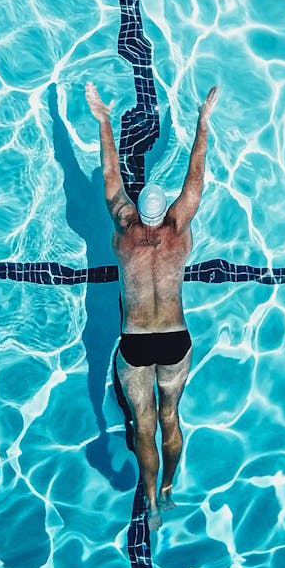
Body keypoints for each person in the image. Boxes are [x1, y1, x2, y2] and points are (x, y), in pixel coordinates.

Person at [85, 80, 219, 530]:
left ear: (139, 211)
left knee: (143, 424)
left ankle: (150, 499)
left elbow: (110, 177)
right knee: (169, 416)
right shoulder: (179, 230)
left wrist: (105, 121)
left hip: (136, 341)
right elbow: (195, 179)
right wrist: (203, 122)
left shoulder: (125, 231)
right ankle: (169, 487)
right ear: (166, 212)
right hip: (175, 340)